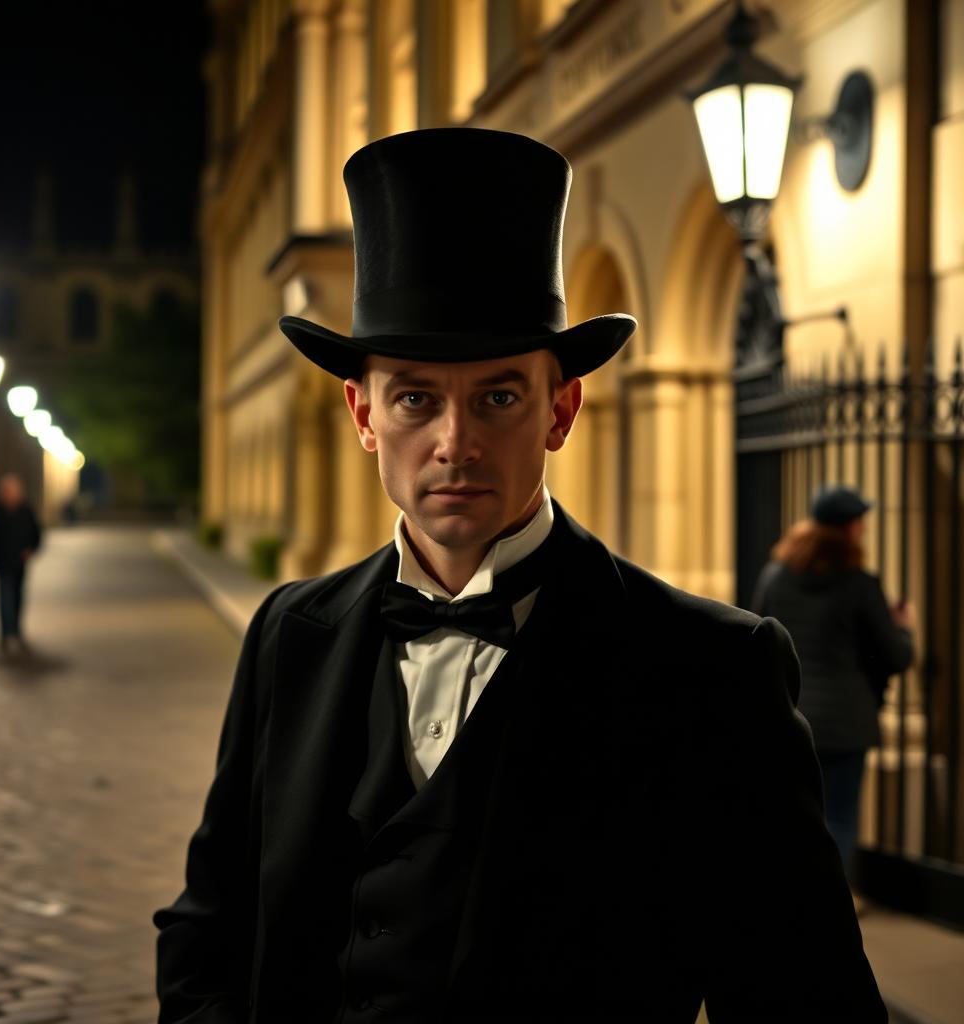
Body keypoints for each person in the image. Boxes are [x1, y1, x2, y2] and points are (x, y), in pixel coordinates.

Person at [153, 128, 887, 1022]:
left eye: (497, 396)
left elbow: (804, 994)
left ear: (561, 408)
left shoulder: (710, 668)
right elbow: (210, 922)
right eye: (416, 397)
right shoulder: (287, 633)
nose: (454, 443)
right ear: (363, 413)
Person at [751, 483, 916, 881]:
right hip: (845, 724)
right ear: (851, 528)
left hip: (789, 713)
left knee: (790, 817)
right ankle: (832, 913)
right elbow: (893, 656)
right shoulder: (859, 584)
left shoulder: (775, 576)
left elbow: (758, 633)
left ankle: (788, 897)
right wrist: (906, 630)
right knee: (838, 819)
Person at [0, 473, 42, 653]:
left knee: (17, 597)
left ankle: (16, 630)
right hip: (2, 562)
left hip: (19, 563)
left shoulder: (26, 511)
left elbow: (36, 534)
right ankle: (6, 633)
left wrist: (31, 549)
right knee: (4, 597)